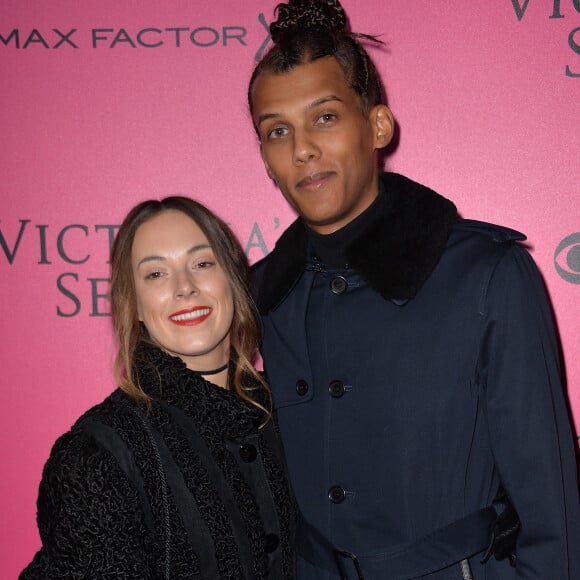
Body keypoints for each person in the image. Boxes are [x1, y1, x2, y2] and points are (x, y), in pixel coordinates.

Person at [248, 1, 580, 578]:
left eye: (324, 117)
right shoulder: (258, 298)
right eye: (278, 131)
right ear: (266, 158)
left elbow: (554, 515)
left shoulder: (488, 276)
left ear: (377, 125)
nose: (301, 148)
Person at [20, 197, 296, 579]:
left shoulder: (289, 412)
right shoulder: (97, 455)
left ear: (232, 279)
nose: (184, 288)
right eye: (155, 274)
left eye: (202, 264)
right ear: (131, 303)